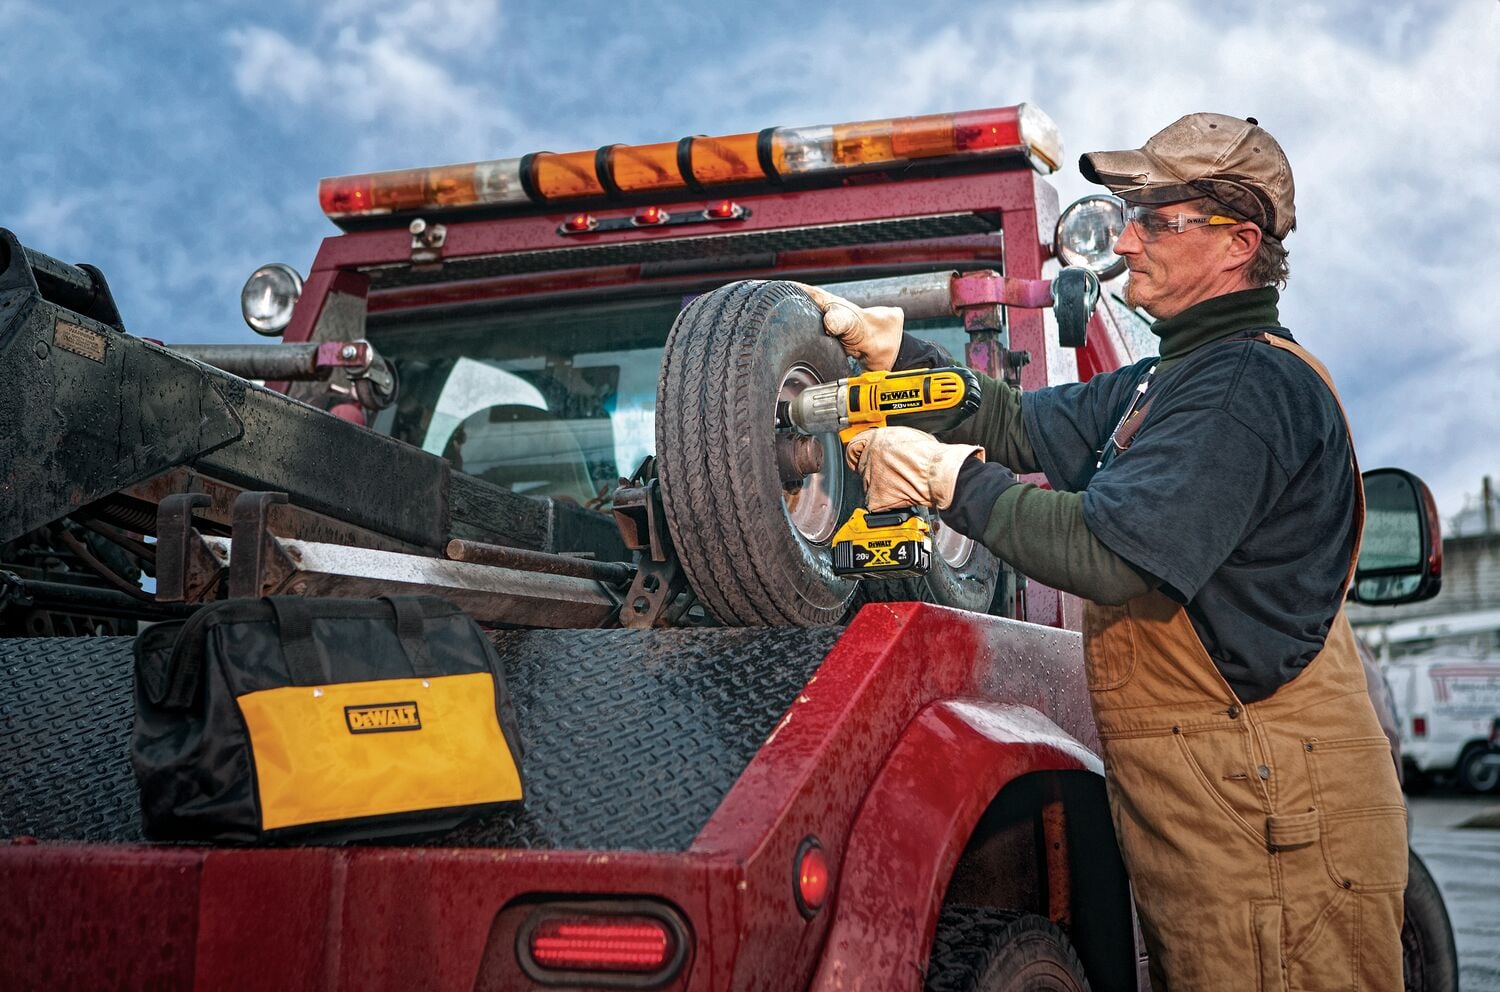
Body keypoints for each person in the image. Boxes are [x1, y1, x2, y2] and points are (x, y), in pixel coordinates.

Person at [800, 114, 1406, 990]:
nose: (1124, 241)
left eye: (1154, 221)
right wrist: (901, 359)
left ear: (1238, 244)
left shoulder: (1244, 389)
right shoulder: (1171, 377)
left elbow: (1105, 553)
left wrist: (948, 482)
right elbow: (1017, 424)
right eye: (1128, 215)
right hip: (1231, 801)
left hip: (1278, 817)